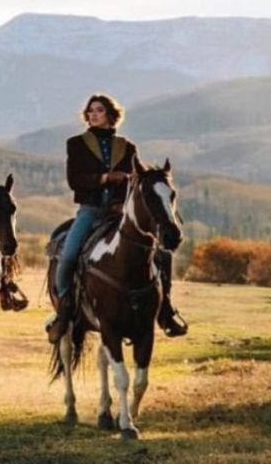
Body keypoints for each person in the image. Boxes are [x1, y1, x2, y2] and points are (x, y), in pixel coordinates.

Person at [46, 94, 188, 343]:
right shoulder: (76, 144)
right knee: (68, 256)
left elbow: (137, 181)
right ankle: (65, 311)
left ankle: (165, 310)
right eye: (90, 111)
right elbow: (74, 179)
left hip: (120, 212)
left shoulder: (128, 147)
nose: (93, 115)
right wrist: (104, 178)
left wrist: (125, 195)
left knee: (161, 255)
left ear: (111, 115)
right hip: (90, 210)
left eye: (99, 110)